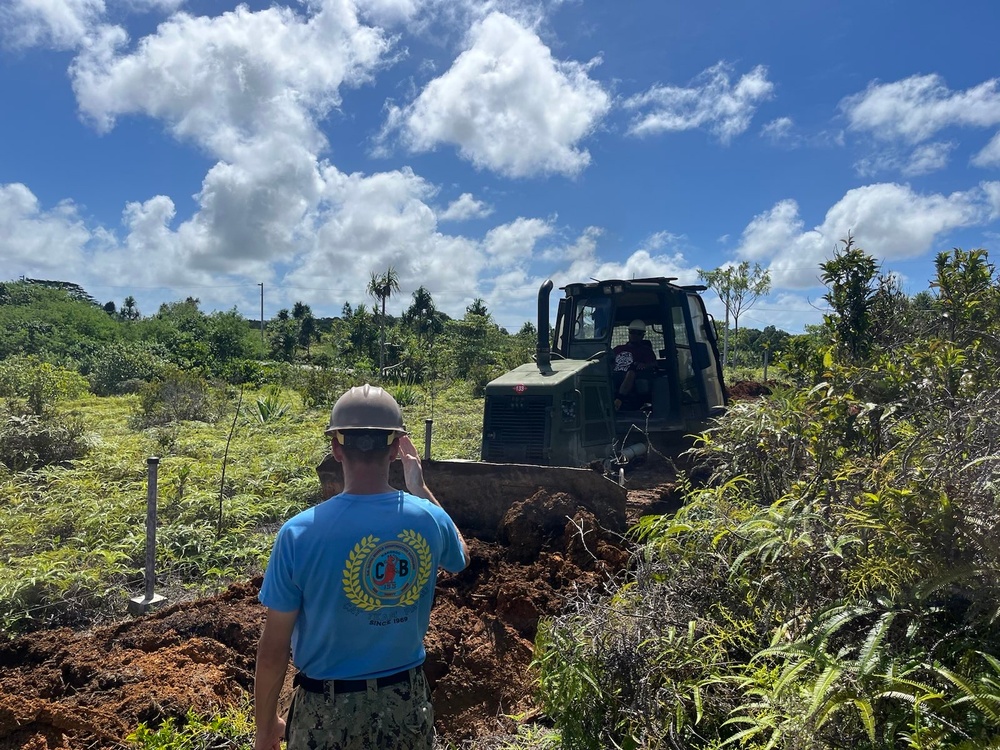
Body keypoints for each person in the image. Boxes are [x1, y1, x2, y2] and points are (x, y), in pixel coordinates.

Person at [254, 383, 469, 750]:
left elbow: (274, 649)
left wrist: (265, 728)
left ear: (336, 448)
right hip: (406, 705)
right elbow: (460, 557)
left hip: (325, 713)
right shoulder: (429, 519)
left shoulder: (299, 533)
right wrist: (419, 488)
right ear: (397, 447)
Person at [612, 319, 657, 410]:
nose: (635, 335)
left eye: (638, 333)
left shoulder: (646, 351)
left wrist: (645, 365)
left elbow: (654, 364)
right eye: (632, 332)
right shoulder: (618, 349)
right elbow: (609, 361)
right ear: (629, 333)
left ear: (643, 335)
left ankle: (619, 400)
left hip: (632, 376)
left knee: (631, 372)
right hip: (614, 374)